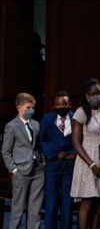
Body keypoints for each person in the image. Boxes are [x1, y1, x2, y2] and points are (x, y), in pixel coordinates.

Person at [70, 78, 100, 229]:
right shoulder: (81, 112)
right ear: (87, 96)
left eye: (99, 92)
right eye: (93, 93)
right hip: (87, 160)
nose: (97, 95)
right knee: (87, 201)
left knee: (99, 201)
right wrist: (92, 164)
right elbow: (75, 142)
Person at [2, 93, 45, 229]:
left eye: (32, 108)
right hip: (21, 170)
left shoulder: (36, 124)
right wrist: (13, 169)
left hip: (38, 169)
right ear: (19, 107)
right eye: (28, 107)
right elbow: (5, 151)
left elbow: (39, 146)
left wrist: (43, 163)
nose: (31, 110)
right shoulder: (11, 126)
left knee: (35, 207)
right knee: (18, 207)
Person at [39, 90, 76, 229]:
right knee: (51, 201)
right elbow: (41, 141)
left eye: (65, 104)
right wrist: (54, 153)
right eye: (59, 104)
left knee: (67, 201)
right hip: (53, 164)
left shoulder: (76, 118)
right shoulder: (47, 118)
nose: (62, 106)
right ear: (54, 106)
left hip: (70, 165)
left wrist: (75, 153)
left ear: (70, 104)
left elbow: (80, 140)